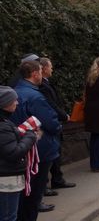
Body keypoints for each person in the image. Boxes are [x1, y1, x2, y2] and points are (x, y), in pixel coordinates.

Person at [11, 60, 62, 219]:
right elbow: (51, 123)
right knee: (33, 196)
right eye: (40, 71)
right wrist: (58, 126)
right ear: (34, 74)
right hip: (38, 150)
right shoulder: (35, 96)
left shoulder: (14, 92)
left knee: (22, 193)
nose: (42, 74)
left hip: (19, 147)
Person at [38, 58, 76, 198]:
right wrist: (63, 115)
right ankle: (45, 185)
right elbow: (51, 105)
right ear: (43, 68)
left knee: (55, 153)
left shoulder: (46, 83)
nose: (52, 69)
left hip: (54, 121)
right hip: (50, 123)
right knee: (49, 155)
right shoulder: (42, 85)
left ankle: (57, 179)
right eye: (50, 67)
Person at [0, 86, 39, 221]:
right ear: (5, 104)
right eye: (14, 100)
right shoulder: (3, 126)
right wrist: (30, 136)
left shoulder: (5, 122)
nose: (17, 103)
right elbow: (13, 153)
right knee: (8, 216)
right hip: (6, 180)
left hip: (6, 177)